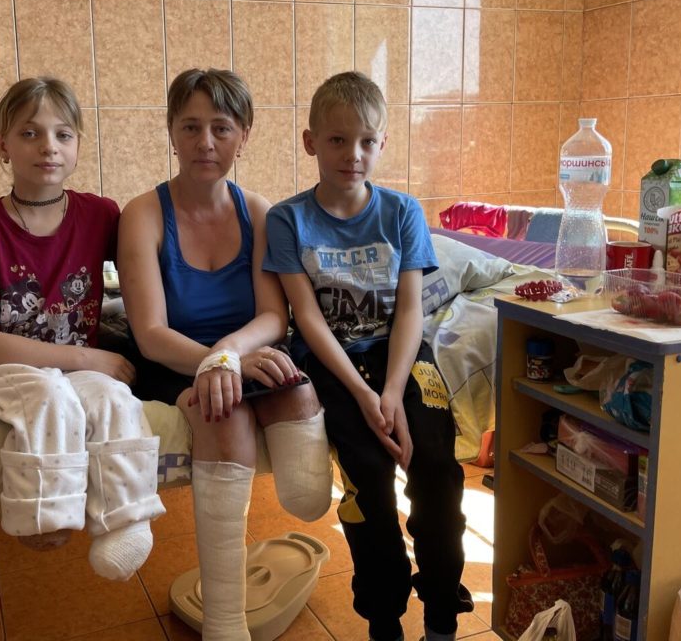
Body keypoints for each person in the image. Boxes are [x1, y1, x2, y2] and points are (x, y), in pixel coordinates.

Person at [119, 68, 333, 640]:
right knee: (224, 412)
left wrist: (230, 355)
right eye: (190, 126)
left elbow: (273, 316)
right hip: (177, 361)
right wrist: (212, 365)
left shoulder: (259, 212)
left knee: (300, 394)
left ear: (245, 136)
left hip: (246, 354)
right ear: (171, 132)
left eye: (221, 127)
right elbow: (149, 332)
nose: (205, 142)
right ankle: (224, 622)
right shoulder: (142, 214)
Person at [263, 72, 473, 641]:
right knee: (368, 482)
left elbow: (411, 313)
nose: (352, 155)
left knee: (434, 464)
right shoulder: (287, 220)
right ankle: (384, 617)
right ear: (310, 142)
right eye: (336, 140)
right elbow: (304, 317)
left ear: (381, 144)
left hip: (401, 356)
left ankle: (441, 614)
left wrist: (393, 390)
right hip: (330, 362)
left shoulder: (402, 212)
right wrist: (363, 394)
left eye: (366, 142)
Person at [0, 76, 165, 581]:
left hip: (73, 366)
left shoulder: (101, 215)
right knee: (48, 395)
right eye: (30, 133)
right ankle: (43, 514)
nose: (48, 147)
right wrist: (88, 357)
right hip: (2, 366)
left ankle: (127, 520)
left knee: (111, 399)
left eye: (63, 134)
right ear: (3, 145)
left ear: (79, 143)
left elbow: (149, 271)